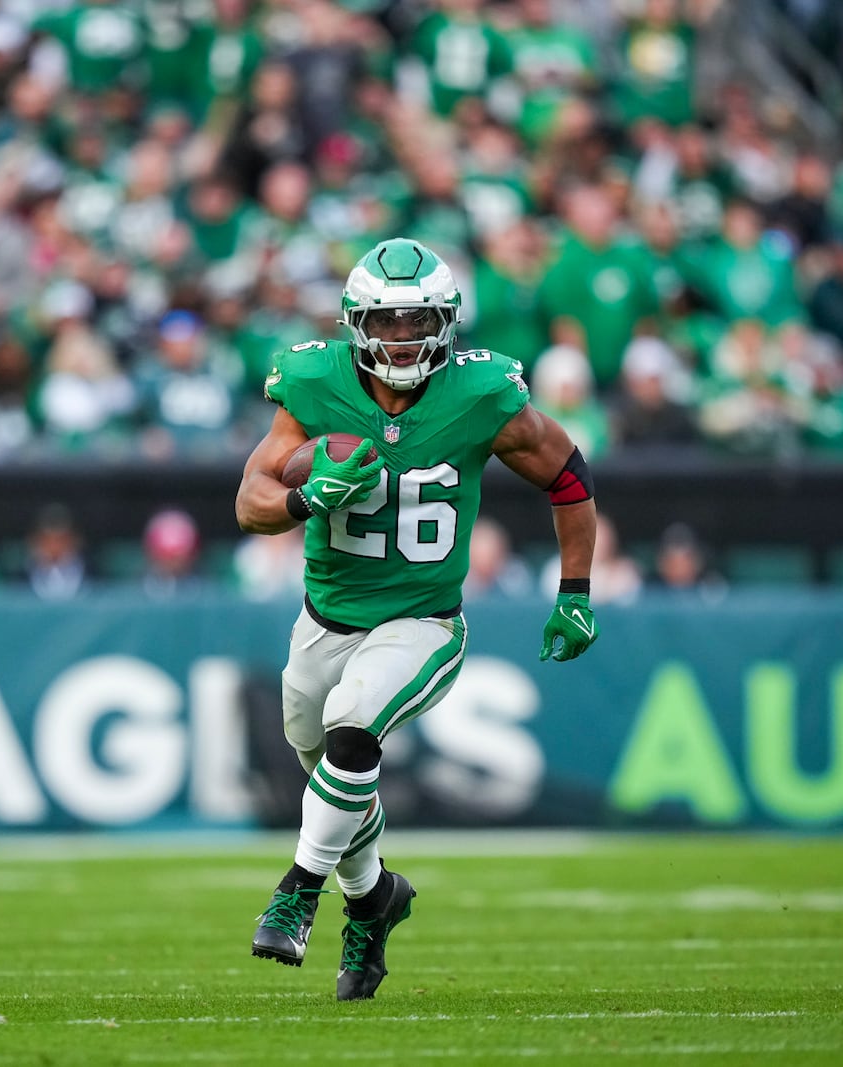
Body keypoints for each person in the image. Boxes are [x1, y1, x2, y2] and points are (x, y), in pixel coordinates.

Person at [234, 238, 599, 1001]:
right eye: (388, 320)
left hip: (422, 619)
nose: (403, 336)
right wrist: (308, 498)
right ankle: (372, 899)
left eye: (418, 319)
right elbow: (250, 502)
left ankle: (298, 890)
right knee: (334, 773)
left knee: (351, 725)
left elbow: (569, 475)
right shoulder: (311, 383)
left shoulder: (481, 394)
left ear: (447, 321)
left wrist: (575, 589)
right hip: (324, 619)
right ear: (355, 323)